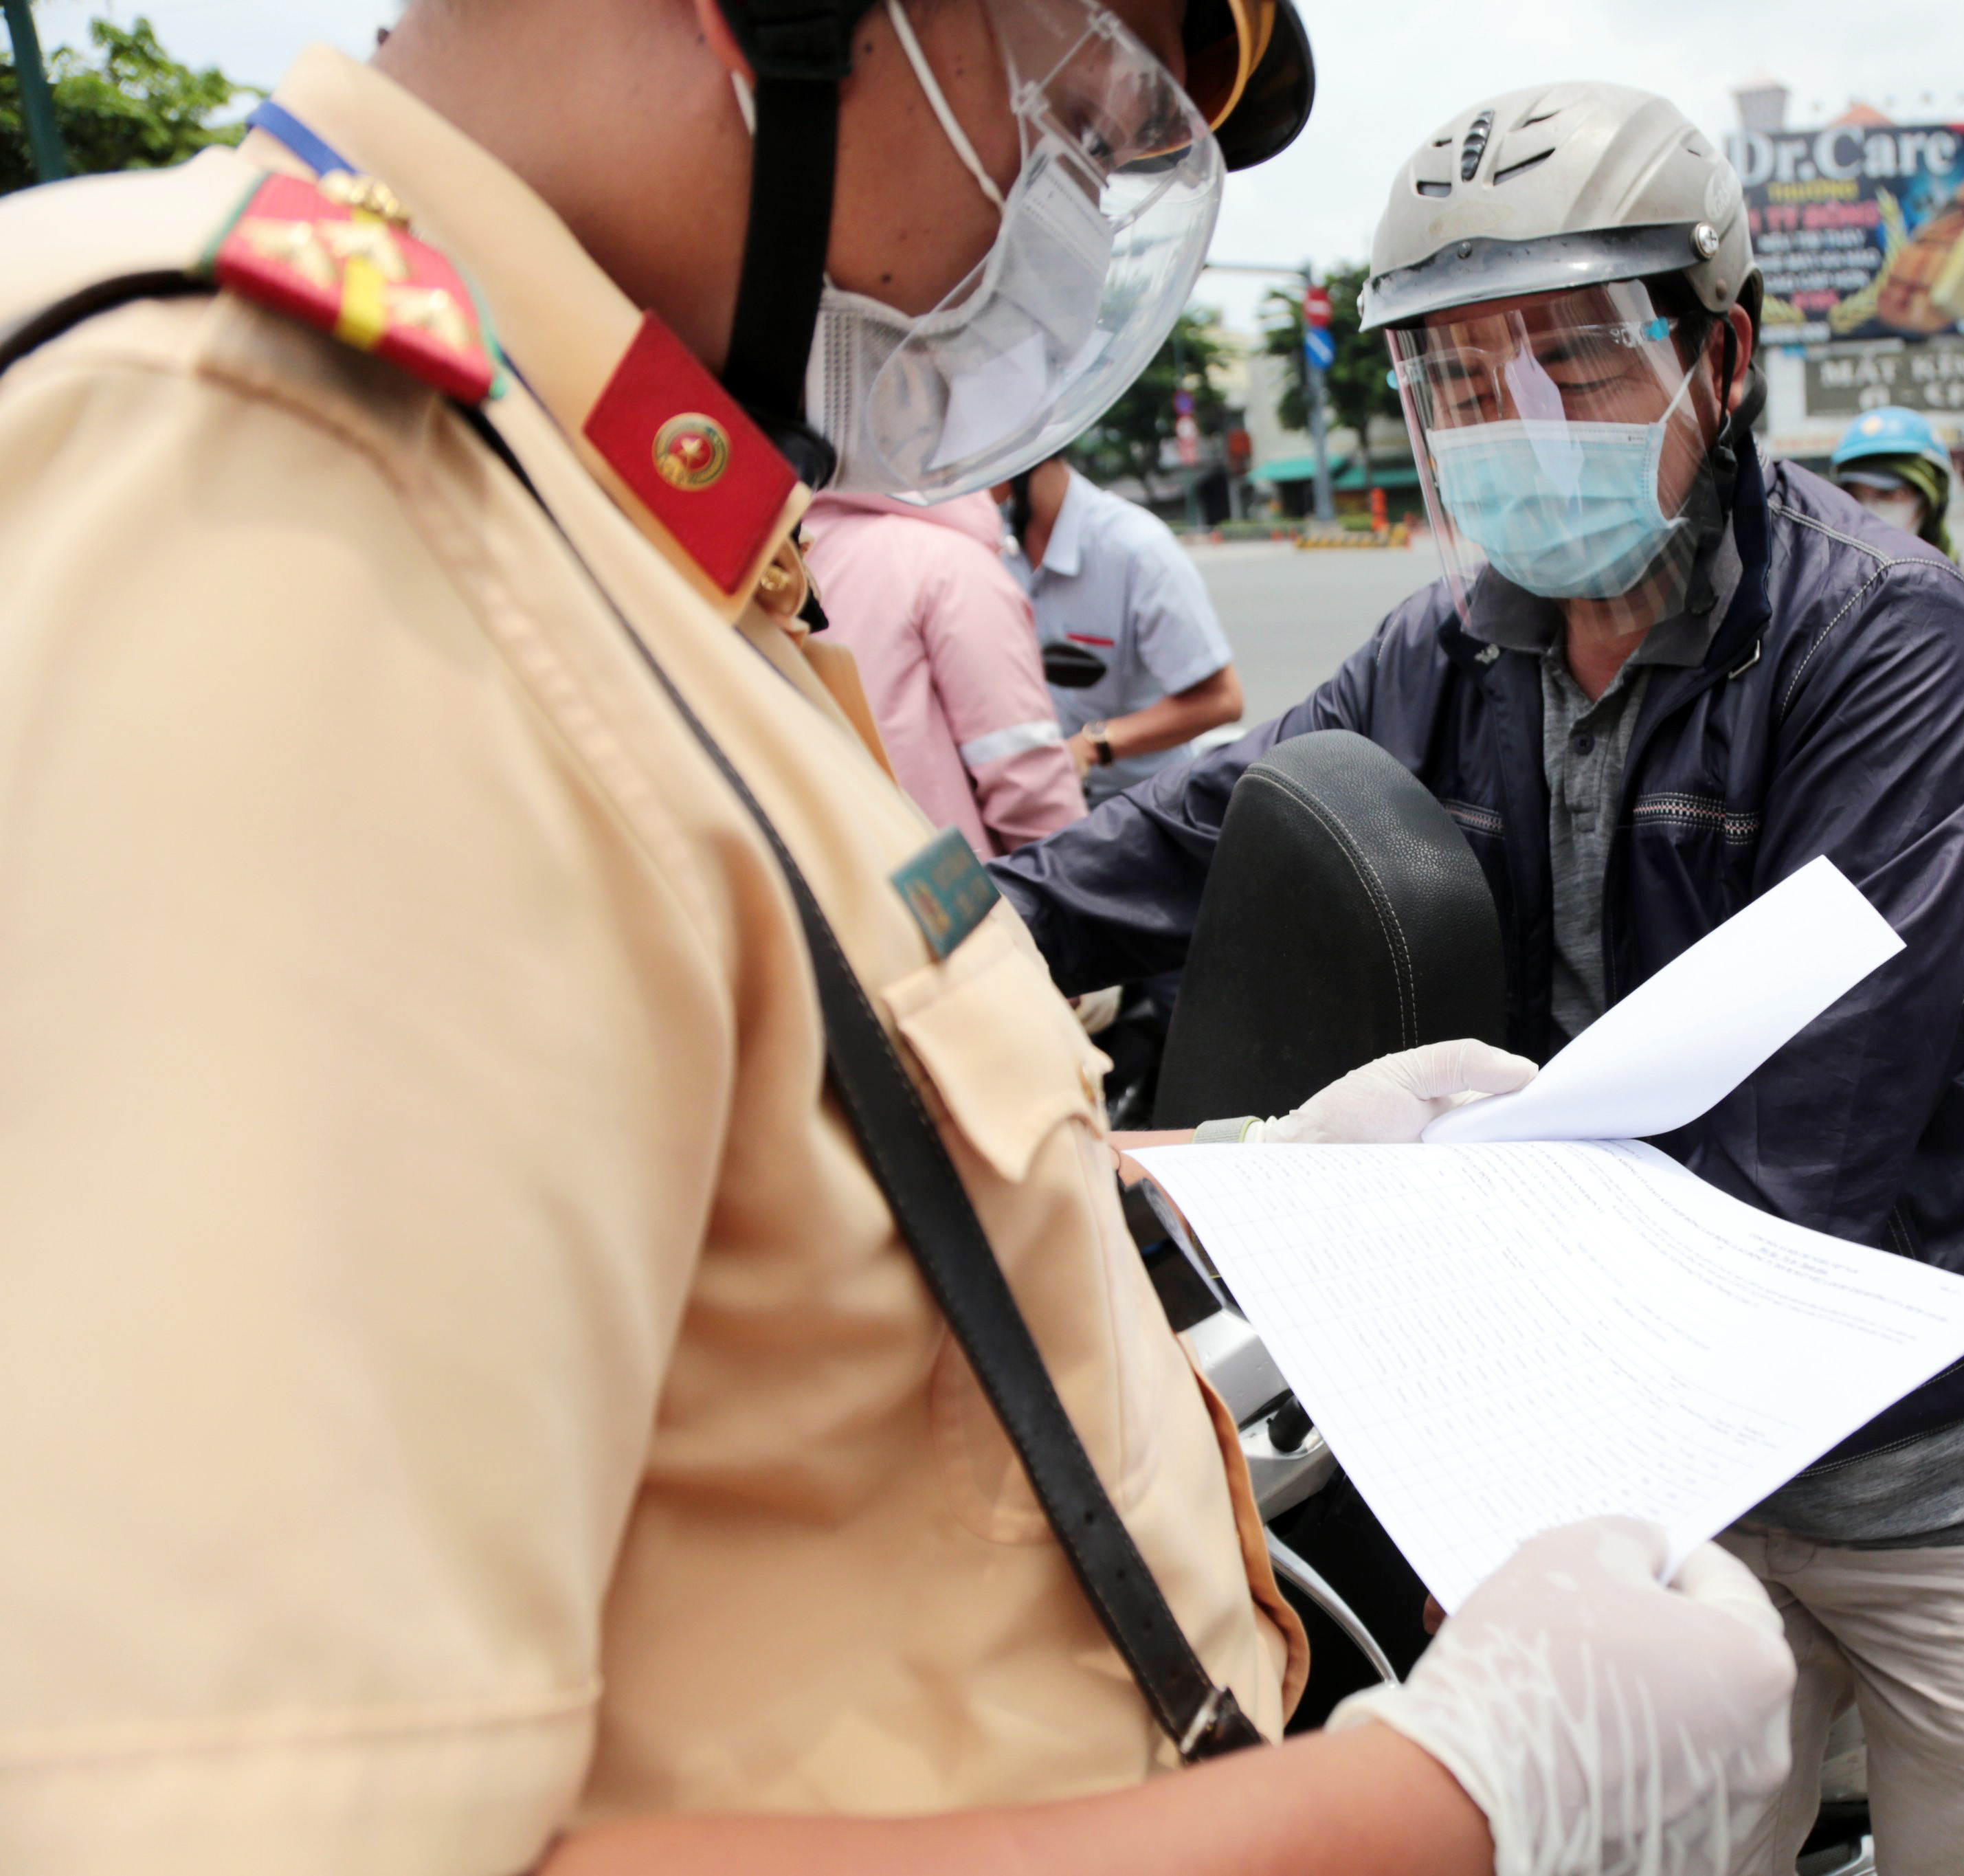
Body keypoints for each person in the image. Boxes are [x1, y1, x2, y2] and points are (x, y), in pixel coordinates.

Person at [0, 6, 1799, 1874]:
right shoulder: (281, 488)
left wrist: (1232, 1180)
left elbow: (773, 1207)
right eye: (1075, 114)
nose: (1069, 223)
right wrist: (1438, 1799)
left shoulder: (595, 515)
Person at [995, 80, 1964, 1876]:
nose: (1510, 425)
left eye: (1570, 360)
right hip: (1655, 1467)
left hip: (1955, 1469)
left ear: (1720, 356)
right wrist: (921, 959)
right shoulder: (1444, 648)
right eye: (1458, 382)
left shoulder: (1879, 644)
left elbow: (1806, 1151)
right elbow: (1195, 838)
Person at [802, 489, 1086, 854]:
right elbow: (1024, 775)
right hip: (954, 888)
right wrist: (1080, 883)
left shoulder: (780, 563)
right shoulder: (949, 563)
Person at [996, 452, 1245, 802]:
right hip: (1038, 800)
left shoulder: (1138, 550)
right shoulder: (993, 545)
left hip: (1143, 804)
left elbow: (1222, 699)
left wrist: (1090, 746)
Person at [1828, 405, 1964, 715]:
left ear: (1930, 499)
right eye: (1859, 495)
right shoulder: (1830, 584)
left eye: (1894, 494)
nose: (1873, 507)